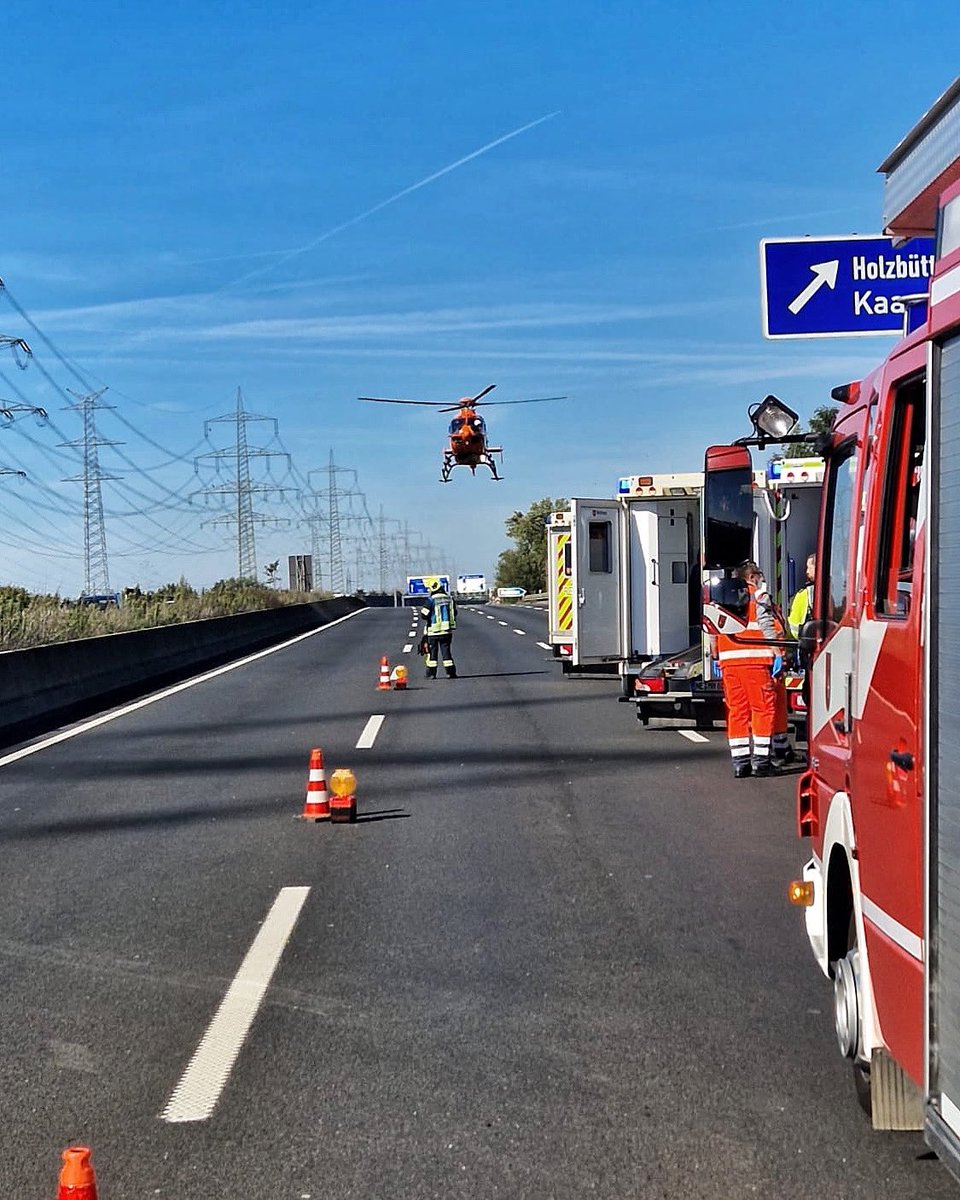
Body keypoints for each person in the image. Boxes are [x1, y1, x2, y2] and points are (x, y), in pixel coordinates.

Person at [715, 560, 779, 778]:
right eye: (759, 574)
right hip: (755, 660)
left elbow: (714, 629)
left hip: (729, 663)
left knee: (737, 711)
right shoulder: (759, 596)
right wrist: (777, 652)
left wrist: (717, 655)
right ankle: (761, 761)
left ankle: (740, 763)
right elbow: (766, 626)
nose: (761, 578)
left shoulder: (721, 597)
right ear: (751, 577)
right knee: (762, 709)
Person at [420, 577, 457, 678]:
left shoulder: (431, 600)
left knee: (433, 654)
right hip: (446, 631)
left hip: (433, 632)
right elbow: (454, 613)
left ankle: (432, 674)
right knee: (446, 652)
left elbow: (424, 615)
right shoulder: (449, 599)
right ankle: (450, 672)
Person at [788, 554, 816, 638]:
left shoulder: (806, 593)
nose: (807, 572)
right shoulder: (829, 590)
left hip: (804, 641)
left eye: (809, 567)